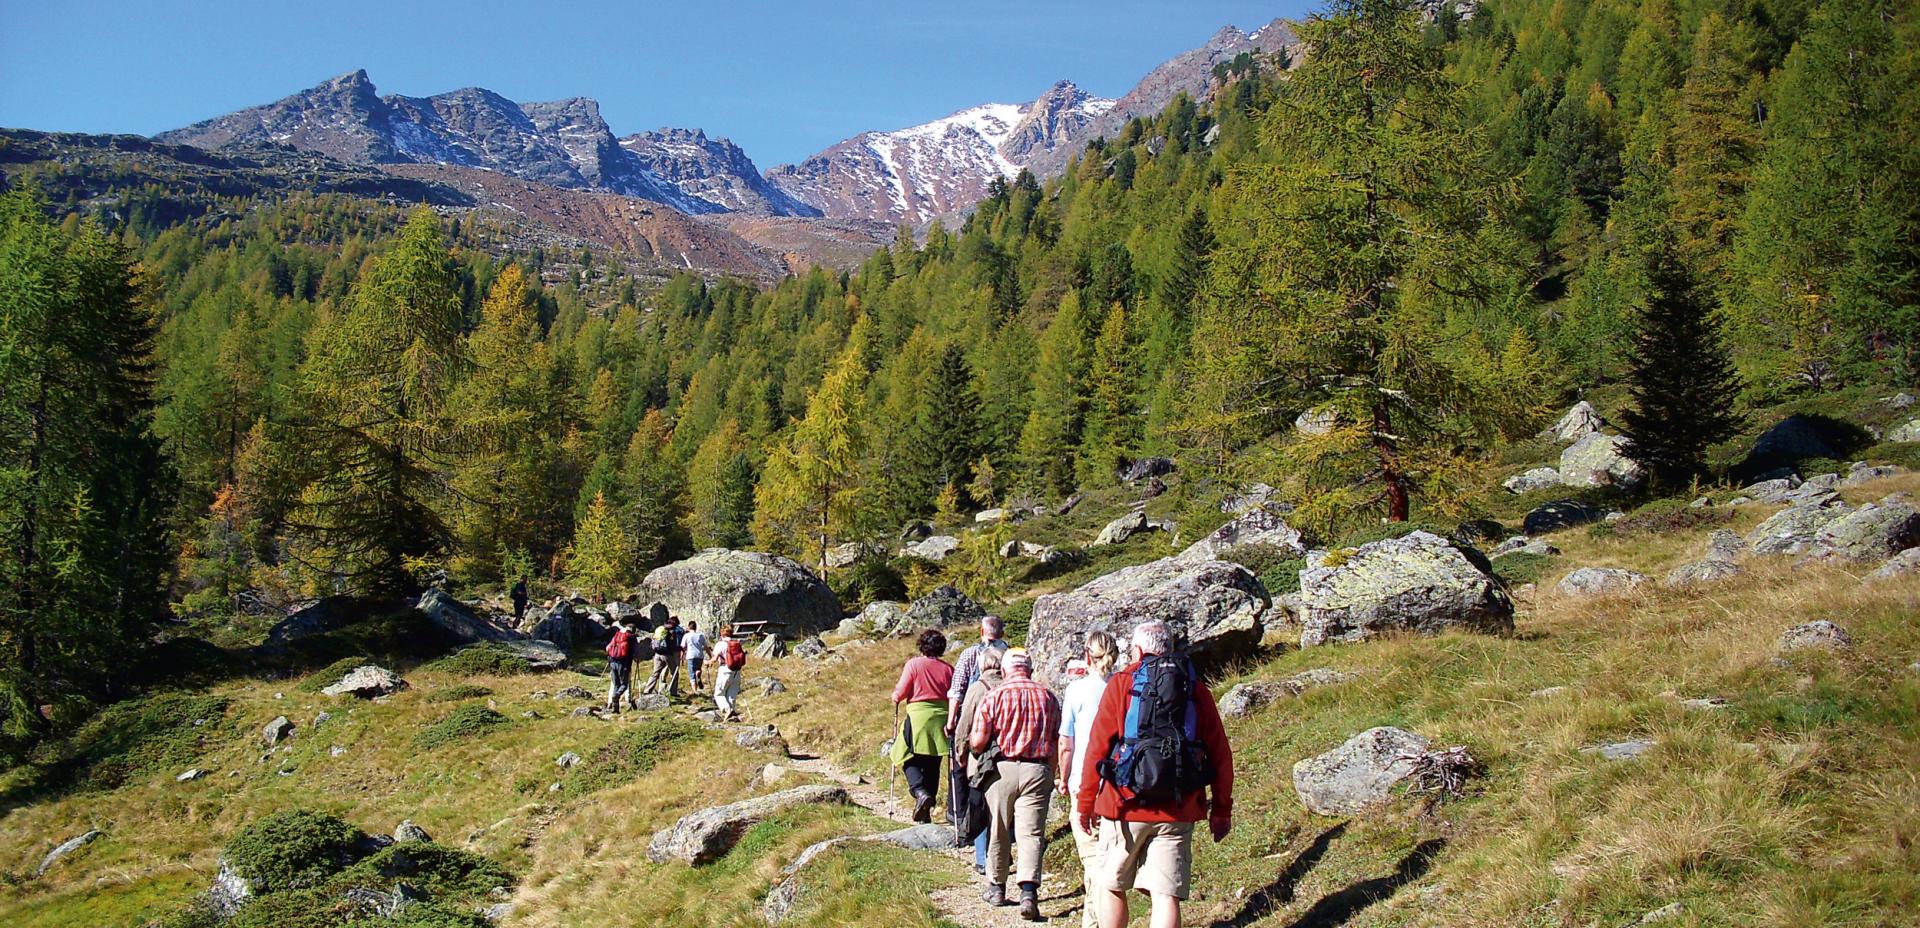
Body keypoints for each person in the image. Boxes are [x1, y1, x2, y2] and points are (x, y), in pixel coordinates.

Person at [1076, 622, 1233, 928]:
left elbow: (1097, 748)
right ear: (1170, 649)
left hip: (1124, 805)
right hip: (1179, 805)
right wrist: (1222, 810)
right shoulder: (1194, 688)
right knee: (1165, 894)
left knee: (1112, 885)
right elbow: (1220, 755)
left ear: (1137, 651)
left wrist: (1085, 805)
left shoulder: (1122, 683)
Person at [969, 648, 1061, 921]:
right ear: (1030, 669)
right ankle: (1029, 892)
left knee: (998, 827)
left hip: (1002, 769)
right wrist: (1053, 774)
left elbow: (977, 741)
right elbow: (1057, 739)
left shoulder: (994, 695)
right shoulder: (1048, 696)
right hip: (1038, 768)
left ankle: (997, 887)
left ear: (1005, 670)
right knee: (1031, 833)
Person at [1057, 631, 1120, 928]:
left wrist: (1062, 776)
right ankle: (1090, 921)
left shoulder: (1077, 690)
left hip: (1085, 781)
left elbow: (1066, 742)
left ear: (1086, 656)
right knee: (1103, 858)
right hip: (1119, 783)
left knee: (1094, 860)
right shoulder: (1125, 687)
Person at [951, 645, 1006, 876]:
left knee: (981, 806)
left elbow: (964, 726)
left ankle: (983, 858)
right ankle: (1004, 855)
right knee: (1003, 810)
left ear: (982, 665)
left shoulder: (977, 689)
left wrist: (960, 753)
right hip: (1007, 755)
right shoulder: (1008, 686)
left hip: (981, 756)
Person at [891, 628, 955, 823]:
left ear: (922, 645)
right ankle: (926, 809)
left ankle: (920, 792)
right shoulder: (948, 669)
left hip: (919, 717)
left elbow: (900, 692)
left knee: (907, 756)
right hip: (942, 719)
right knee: (933, 763)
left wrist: (895, 697)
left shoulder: (914, 665)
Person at [947, 615, 1011, 735]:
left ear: (981, 631)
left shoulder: (970, 653)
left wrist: (951, 722)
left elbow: (957, 691)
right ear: (1002, 633)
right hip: (1005, 717)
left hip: (974, 717)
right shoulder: (1010, 654)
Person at [643, 614, 685, 697]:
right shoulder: (673, 630)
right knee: (674, 673)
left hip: (657, 654)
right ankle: (673, 692)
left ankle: (647, 690)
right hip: (667, 654)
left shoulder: (660, 628)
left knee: (655, 673)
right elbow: (675, 644)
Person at [713, 624, 747, 721]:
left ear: (722, 633)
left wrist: (707, 662)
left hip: (725, 670)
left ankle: (727, 710)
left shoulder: (721, 644)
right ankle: (731, 715)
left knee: (718, 694)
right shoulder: (736, 643)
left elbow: (715, 658)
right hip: (737, 671)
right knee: (731, 694)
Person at [604, 620, 639, 713]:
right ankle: (618, 695)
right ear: (634, 630)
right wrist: (637, 658)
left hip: (612, 662)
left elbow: (608, 648)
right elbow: (635, 652)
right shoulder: (632, 637)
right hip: (624, 664)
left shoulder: (618, 635)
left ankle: (615, 708)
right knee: (624, 684)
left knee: (616, 684)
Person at [683, 621, 711, 691]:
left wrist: (682, 657)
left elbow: (683, 647)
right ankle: (698, 672)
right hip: (699, 655)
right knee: (698, 668)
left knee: (691, 673)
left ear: (689, 627)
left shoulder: (686, 635)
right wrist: (710, 655)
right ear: (696, 627)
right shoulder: (700, 635)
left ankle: (695, 690)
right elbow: (705, 647)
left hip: (690, 656)